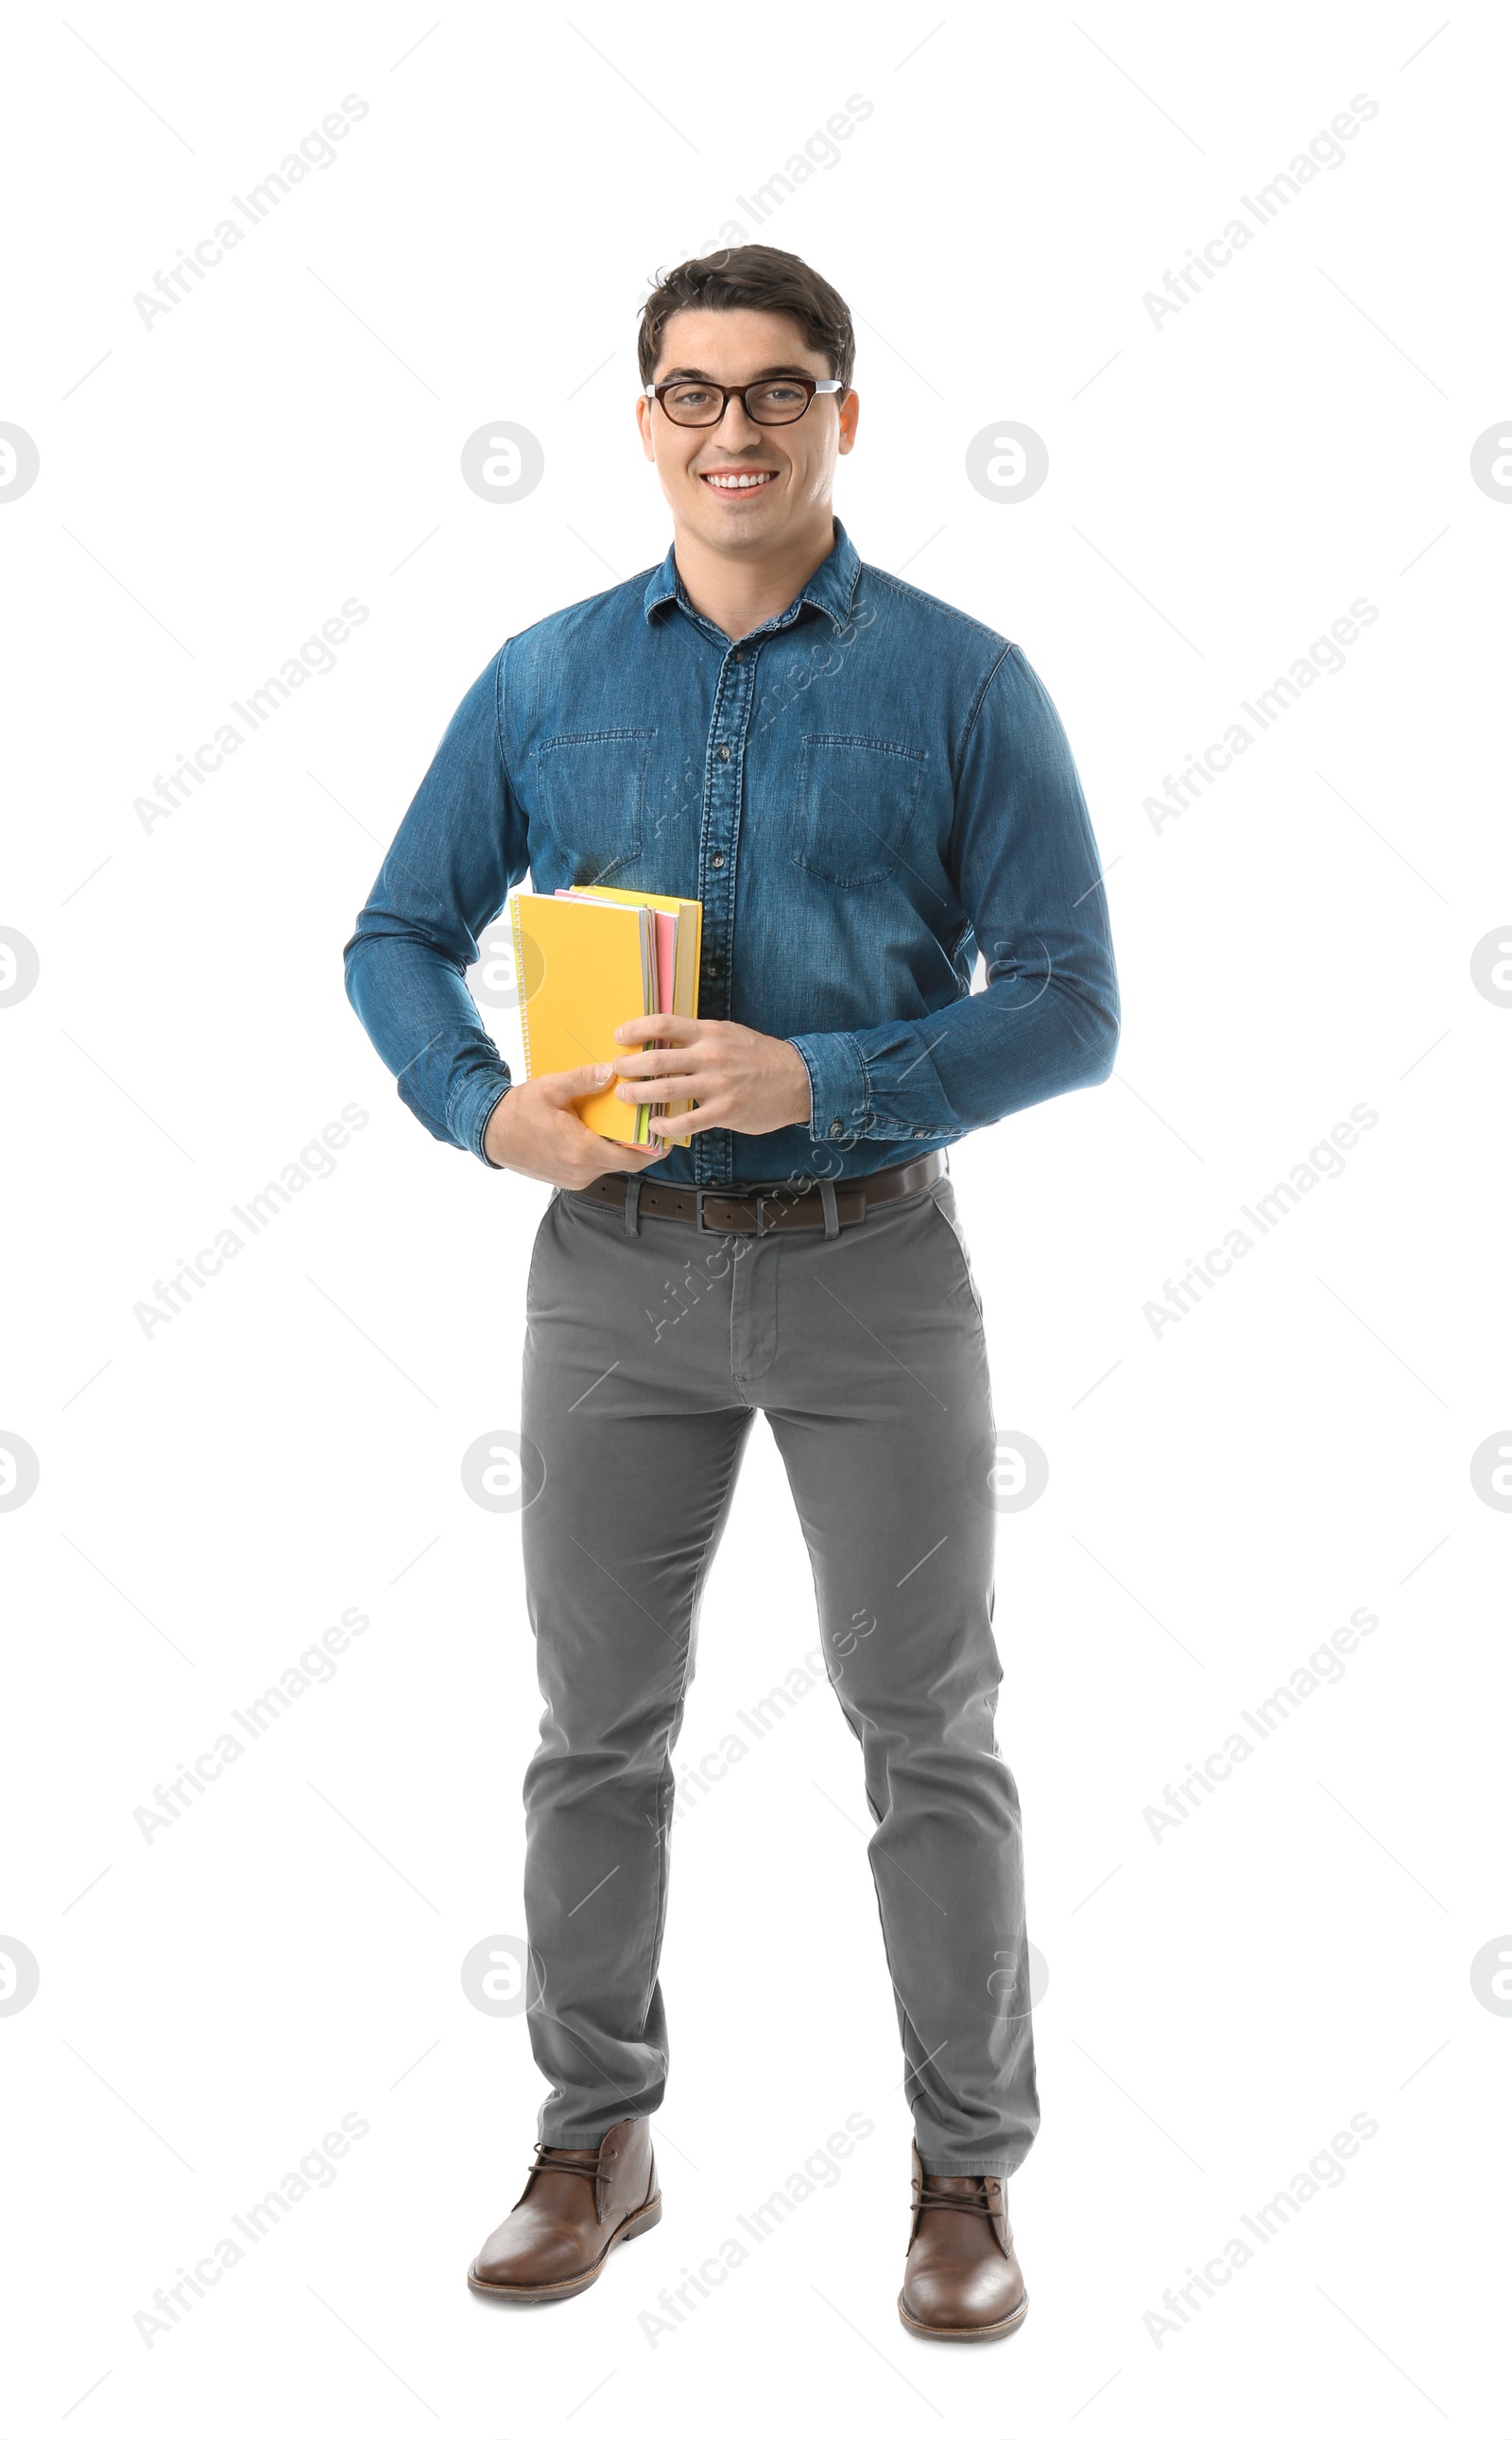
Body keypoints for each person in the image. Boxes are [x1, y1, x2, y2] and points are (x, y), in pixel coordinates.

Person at [343, 244, 1119, 2342]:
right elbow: (392, 934)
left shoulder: (965, 684)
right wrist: (481, 1111)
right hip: (610, 1275)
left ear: (842, 417)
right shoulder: (540, 677)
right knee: (592, 1735)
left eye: (777, 391)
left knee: (926, 1733)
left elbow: (1071, 1007)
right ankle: (595, 2133)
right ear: (644, 421)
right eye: (692, 393)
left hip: (875, 1276)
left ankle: (964, 2173)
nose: (734, 430)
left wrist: (825, 1075)